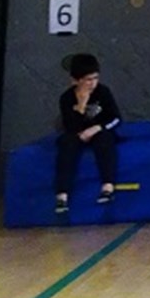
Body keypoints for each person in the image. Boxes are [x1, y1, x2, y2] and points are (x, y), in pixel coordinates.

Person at [54, 52, 123, 215]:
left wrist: (98, 128)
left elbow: (116, 118)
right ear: (76, 80)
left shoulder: (103, 92)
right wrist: (81, 105)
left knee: (105, 140)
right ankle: (62, 194)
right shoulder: (66, 98)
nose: (92, 84)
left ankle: (107, 186)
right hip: (77, 133)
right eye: (87, 80)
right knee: (67, 144)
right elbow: (70, 126)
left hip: (99, 131)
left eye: (95, 78)